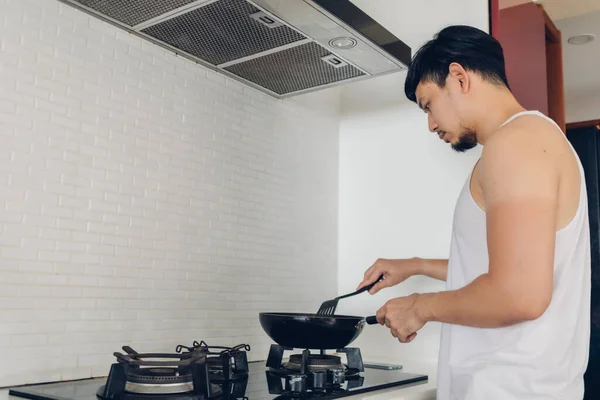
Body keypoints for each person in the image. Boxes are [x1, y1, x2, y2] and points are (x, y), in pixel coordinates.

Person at [356, 25, 591, 399]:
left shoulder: (516, 144)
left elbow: (519, 294)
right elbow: (504, 267)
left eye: (428, 104)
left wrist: (420, 307)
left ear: (459, 77)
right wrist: (415, 265)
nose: (431, 124)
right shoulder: (530, 140)